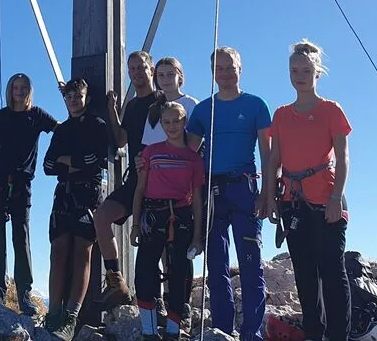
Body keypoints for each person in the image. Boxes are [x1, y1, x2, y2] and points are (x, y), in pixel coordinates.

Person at [186, 47, 273, 341]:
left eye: (230, 67)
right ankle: (222, 331)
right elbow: (187, 151)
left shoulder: (255, 105)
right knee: (217, 267)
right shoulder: (202, 111)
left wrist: (268, 193)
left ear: (240, 68)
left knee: (251, 266)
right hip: (212, 192)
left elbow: (267, 152)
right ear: (212, 72)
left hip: (244, 189)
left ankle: (252, 335)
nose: (224, 73)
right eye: (219, 68)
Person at [269, 40, 352, 341]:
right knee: (304, 276)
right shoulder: (281, 114)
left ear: (318, 73)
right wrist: (270, 198)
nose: (299, 75)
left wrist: (334, 199)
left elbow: (342, 158)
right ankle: (314, 335)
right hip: (293, 203)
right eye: (294, 70)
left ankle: (339, 336)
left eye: (306, 70)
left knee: (331, 271)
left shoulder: (331, 110)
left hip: (326, 199)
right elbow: (274, 160)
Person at [0, 73, 57, 314]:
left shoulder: (37, 115)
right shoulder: (0, 116)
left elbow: (61, 130)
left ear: (29, 91)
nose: (19, 91)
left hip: (22, 183)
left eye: (23, 87)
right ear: (10, 91)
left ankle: (24, 294)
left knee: (21, 238)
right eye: (15, 87)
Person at [43, 79, 111, 341]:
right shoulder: (62, 130)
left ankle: (71, 317)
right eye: (69, 97)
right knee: (58, 252)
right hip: (63, 196)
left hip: (89, 194)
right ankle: (54, 313)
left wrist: (66, 161)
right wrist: (74, 164)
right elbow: (48, 166)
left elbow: (97, 161)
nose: (73, 101)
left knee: (83, 252)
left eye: (77, 96)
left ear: (87, 98)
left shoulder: (97, 125)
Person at [130, 101, 204, 341]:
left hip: (181, 217)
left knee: (179, 273)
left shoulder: (194, 159)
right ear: (161, 124)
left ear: (184, 122)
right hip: (152, 216)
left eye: (176, 121)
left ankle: (173, 330)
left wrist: (197, 235)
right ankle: (149, 331)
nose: (171, 126)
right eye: (166, 122)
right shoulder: (151, 152)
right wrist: (134, 225)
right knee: (144, 271)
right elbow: (140, 189)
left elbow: (197, 199)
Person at [93, 50, 160, 308]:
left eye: (141, 67)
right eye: (131, 69)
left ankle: (161, 299)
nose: (136, 72)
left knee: (159, 238)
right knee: (101, 217)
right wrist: (112, 110)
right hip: (134, 179)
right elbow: (121, 140)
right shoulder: (132, 106)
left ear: (151, 69)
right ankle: (117, 282)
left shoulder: (161, 100)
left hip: (159, 179)